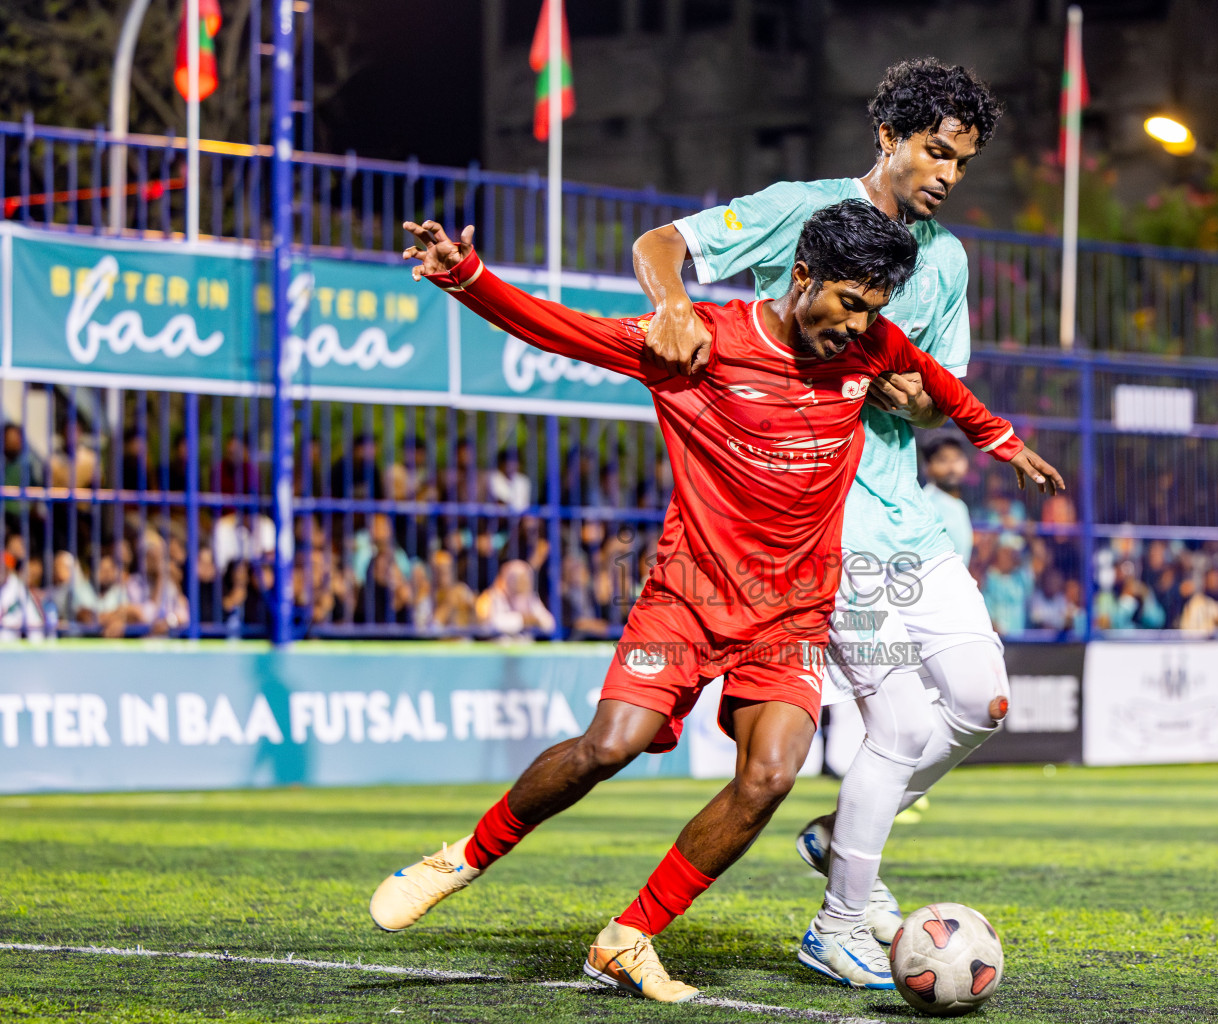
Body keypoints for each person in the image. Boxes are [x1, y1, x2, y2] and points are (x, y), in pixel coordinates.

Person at [368, 205, 1060, 1002]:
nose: (858, 326)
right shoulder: (699, 341)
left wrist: (1005, 443)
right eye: (848, 304)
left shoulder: (871, 346)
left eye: (873, 310)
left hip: (792, 613)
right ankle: (462, 858)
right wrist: (465, 276)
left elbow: (941, 387)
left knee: (770, 776)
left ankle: (628, 939)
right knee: (608, 748)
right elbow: (562, 331)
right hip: (688, 597)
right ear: (802, 276)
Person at [630, 58, 1026, 987]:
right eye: (935, 152)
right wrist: (674, 306)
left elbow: (938, 396)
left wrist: (912, 395)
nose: (947, 175)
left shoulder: (947, 260)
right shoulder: (799, 209)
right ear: (888, 137)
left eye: (962, 163)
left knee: (985, 703)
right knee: (899, 721)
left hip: (909, 521)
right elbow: (660, 244)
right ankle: (840, 923)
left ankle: (843, 832)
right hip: (821, 519)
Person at [921, 435, 973, 567]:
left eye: (957, 459)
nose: (952, 467)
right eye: (943, 460)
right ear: (927, 466)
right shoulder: (925, 504)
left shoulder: (959, 505)